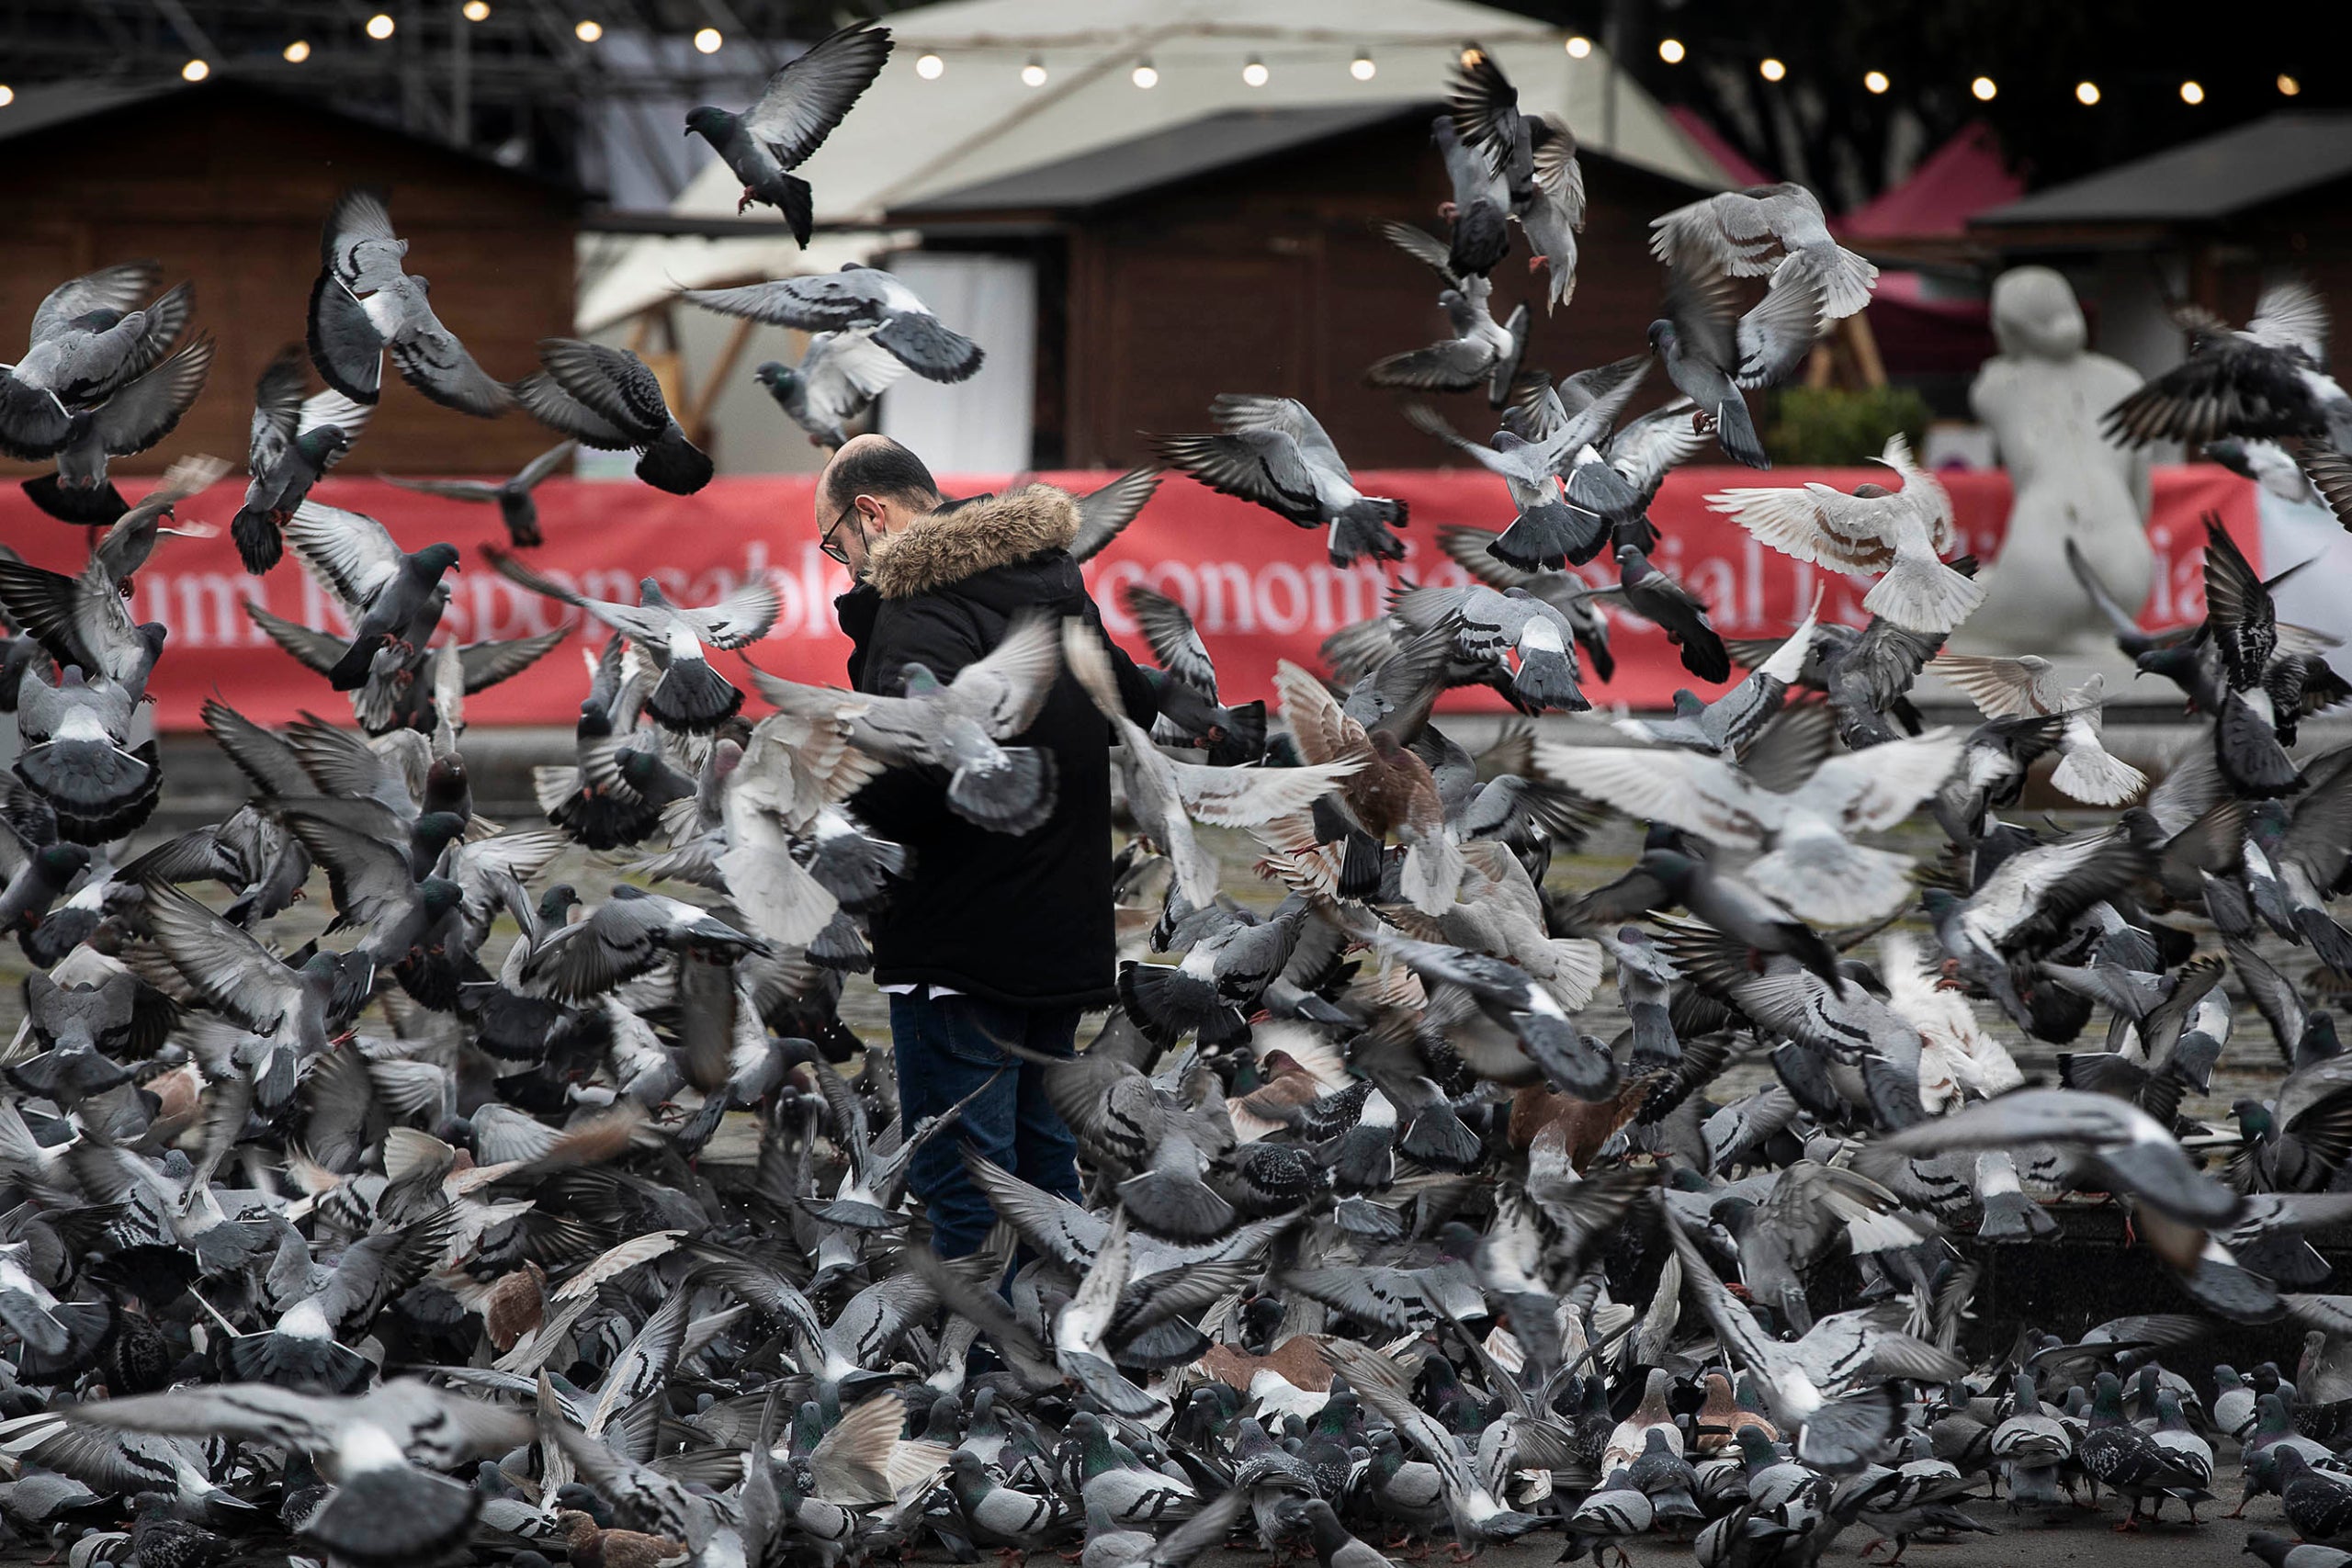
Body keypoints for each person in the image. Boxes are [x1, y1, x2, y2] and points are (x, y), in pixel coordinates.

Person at [817, 434, 1160, 1258]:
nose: (842, 564)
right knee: (1044, 1171)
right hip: (1058, 937)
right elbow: (1137, 702)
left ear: (873, 512)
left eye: (836, 543)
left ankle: (983, 1370)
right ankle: (1062, 1360)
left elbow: (913, 768)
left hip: (961, 943)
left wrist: (830, 806)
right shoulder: (1051, 581)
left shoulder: (920, 604)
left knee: (964, 1183)